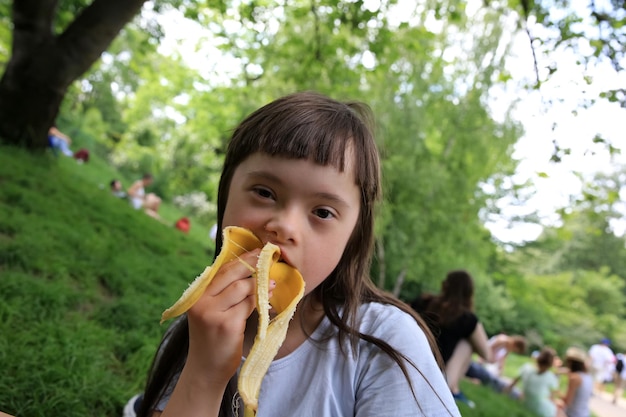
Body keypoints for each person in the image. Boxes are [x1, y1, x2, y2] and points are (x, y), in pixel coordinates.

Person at [135, 92, 461, 417]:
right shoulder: (196, 331)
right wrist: (204, 372)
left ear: (352, 237)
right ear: (225, 197)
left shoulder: (385, 343)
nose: (284, 227)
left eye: (322, 212)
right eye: (264, 193)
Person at [411, 269, 492, 409]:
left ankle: (453, 390)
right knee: (467, 343)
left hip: (408, 362)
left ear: (445, 285)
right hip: (435, 379)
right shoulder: (467, 318)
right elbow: (487, 354)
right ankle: (453, 390)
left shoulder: (423, 301)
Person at [507, 346, 560, 417]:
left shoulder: (526, 367)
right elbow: (552, 398)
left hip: (525, 404)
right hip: (542, 410)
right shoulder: (551, 377)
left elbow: (512, 384)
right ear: (551, 363)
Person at [559, 347, 592, 417]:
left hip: (572, 414)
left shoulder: (574, 378)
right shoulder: (588, 377)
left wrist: (556, 392)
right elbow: (567, 371)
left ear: (570, 362)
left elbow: (567, 402)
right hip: (584, 414)